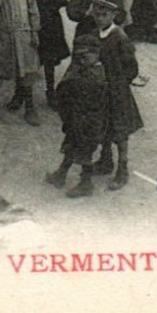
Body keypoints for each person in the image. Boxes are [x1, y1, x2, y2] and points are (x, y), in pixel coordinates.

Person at [87, 0, 143, 191]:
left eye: (105, 15)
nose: (100, 18)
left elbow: (132, 67)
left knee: (120, 130)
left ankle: (122, 168)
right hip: (101, 89)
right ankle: (105, 160)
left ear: (113, 15)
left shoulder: (119, 37)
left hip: (117, 91)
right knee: (103, 125)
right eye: (97, 14)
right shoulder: (94, 34)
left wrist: (119, 82)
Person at [46, 36, 108, 198]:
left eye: (85, 56)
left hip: (87, 124)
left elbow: (88, 105)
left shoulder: (94, 77)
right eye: (78, 56)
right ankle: (61, 174)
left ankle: (86, 184)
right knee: (70, 147)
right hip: (76, 121)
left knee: (84, 154)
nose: (80, 60)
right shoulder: (83, 71)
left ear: (96, 55)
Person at [17, 0, 71, 110]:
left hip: (48, 19)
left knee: (49, 56)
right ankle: (21, 93)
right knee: (24, 56)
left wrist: (48, 11)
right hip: (25, 19)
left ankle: (50, 90)